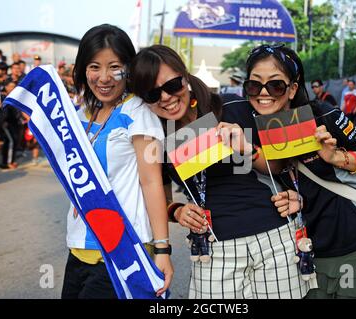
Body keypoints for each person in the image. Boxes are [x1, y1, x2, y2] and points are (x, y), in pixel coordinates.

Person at [131, 45, 310, 299]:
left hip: (274, 238)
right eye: (152, 94)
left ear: (185, 76)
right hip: (214, 248)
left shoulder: (233, 107)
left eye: (172, 86)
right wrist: (177, 211)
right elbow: (156, 192)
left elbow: (280, 165)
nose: (166, 98)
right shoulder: (154, 137)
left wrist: (248, 149)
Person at [242, 44, 356, 299]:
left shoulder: (323, 115)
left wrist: (336, 157)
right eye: (254, 85)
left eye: (276, 85)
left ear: (292, 89)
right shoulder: (255, 130)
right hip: (310, 256)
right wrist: (296, 198)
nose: (264, 93)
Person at [61, 24, 173, 299]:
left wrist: (162, 250)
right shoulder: (81, 114)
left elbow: (151, 182)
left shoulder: (137, 112)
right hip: (80, 247)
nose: (104, 77)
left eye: (114, 66)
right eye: (94, 67)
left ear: (128, 68)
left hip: (122, 250)